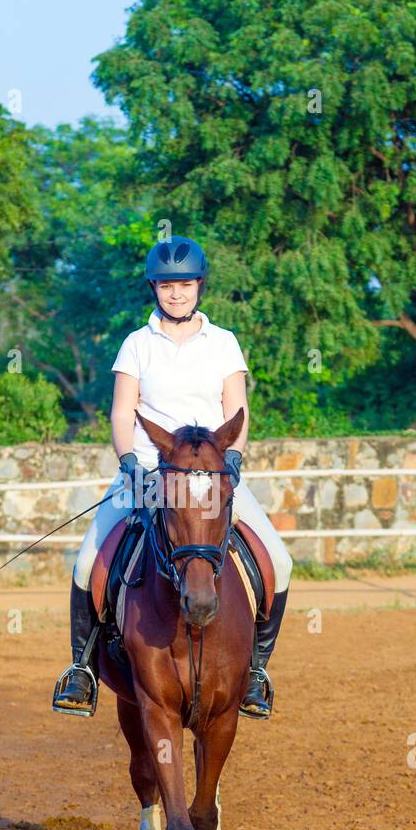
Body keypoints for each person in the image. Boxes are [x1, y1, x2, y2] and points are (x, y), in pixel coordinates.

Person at [52, 235, 291, 718]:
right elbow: (123, 413)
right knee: (85, 565)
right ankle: (81, 669)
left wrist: (234, 458)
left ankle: (256, 671)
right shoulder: (137, 344)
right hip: (149, 471)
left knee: (279, 562)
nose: (175, 293)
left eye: (184, 284)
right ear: (154, 288)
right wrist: (128, 462)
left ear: (199, 285)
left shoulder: (223, 342)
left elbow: (237, 409)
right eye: (166, 285)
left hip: (211, 477)